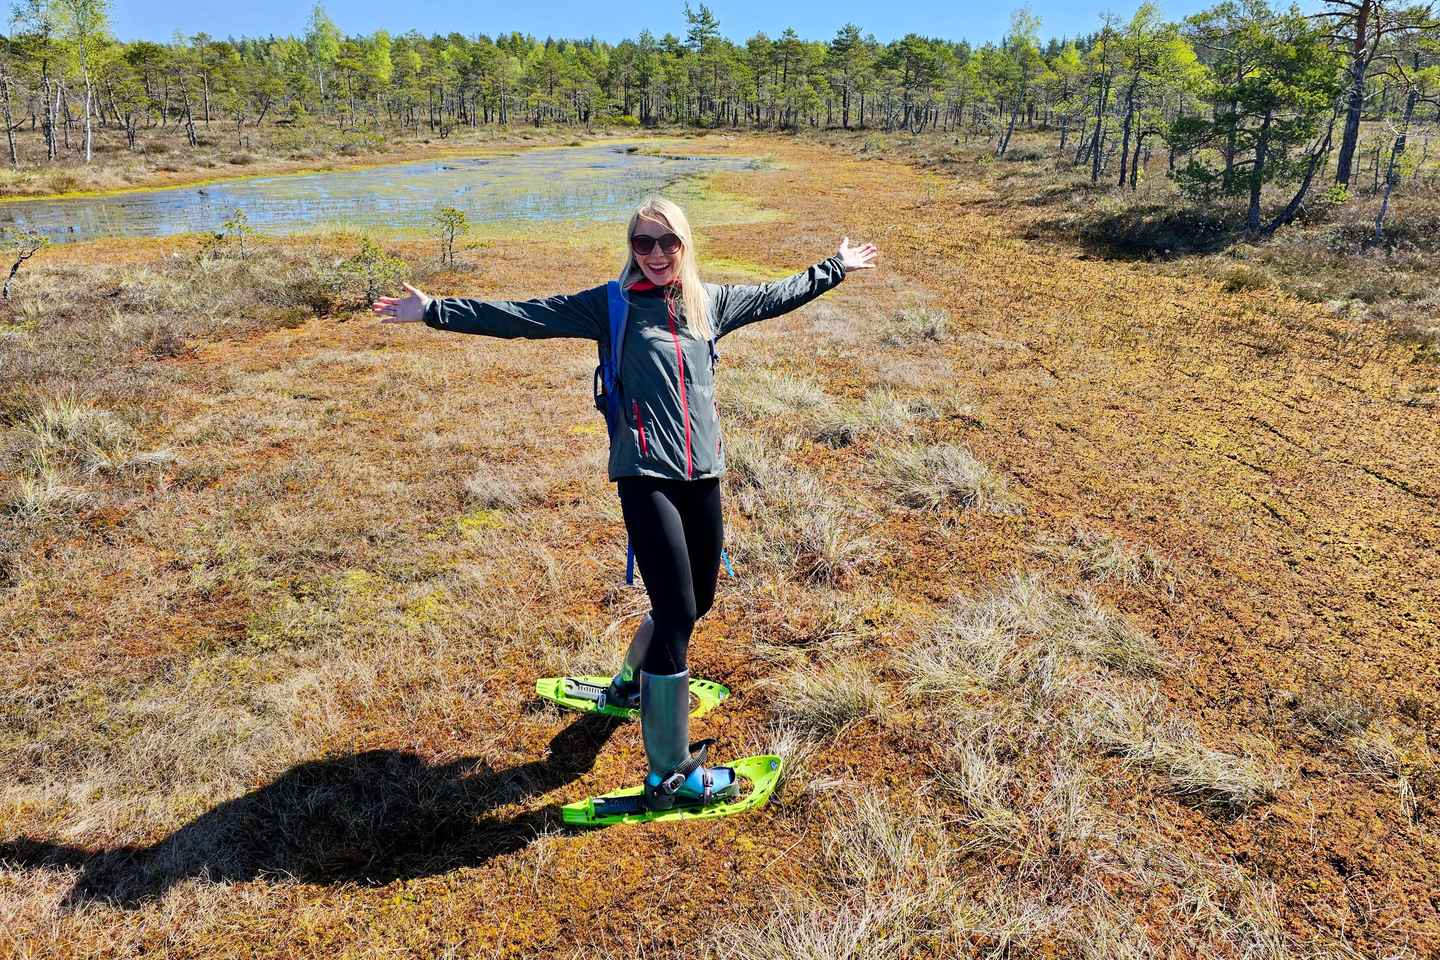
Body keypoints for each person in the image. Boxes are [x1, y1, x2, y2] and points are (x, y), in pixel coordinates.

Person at [373, 195, 878, 813]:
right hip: (645, 474)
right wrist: (435, 311)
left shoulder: (708, 304)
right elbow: (524, 315)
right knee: (676, 611)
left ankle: (630, 684)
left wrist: (835, 266)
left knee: (698, 601)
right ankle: (669, 775)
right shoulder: (610, 306)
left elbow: (778, 294)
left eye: (668, 243)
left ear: (685, 246)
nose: (657, 254)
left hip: (705, 472)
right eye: (644, 243)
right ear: (630, 247)